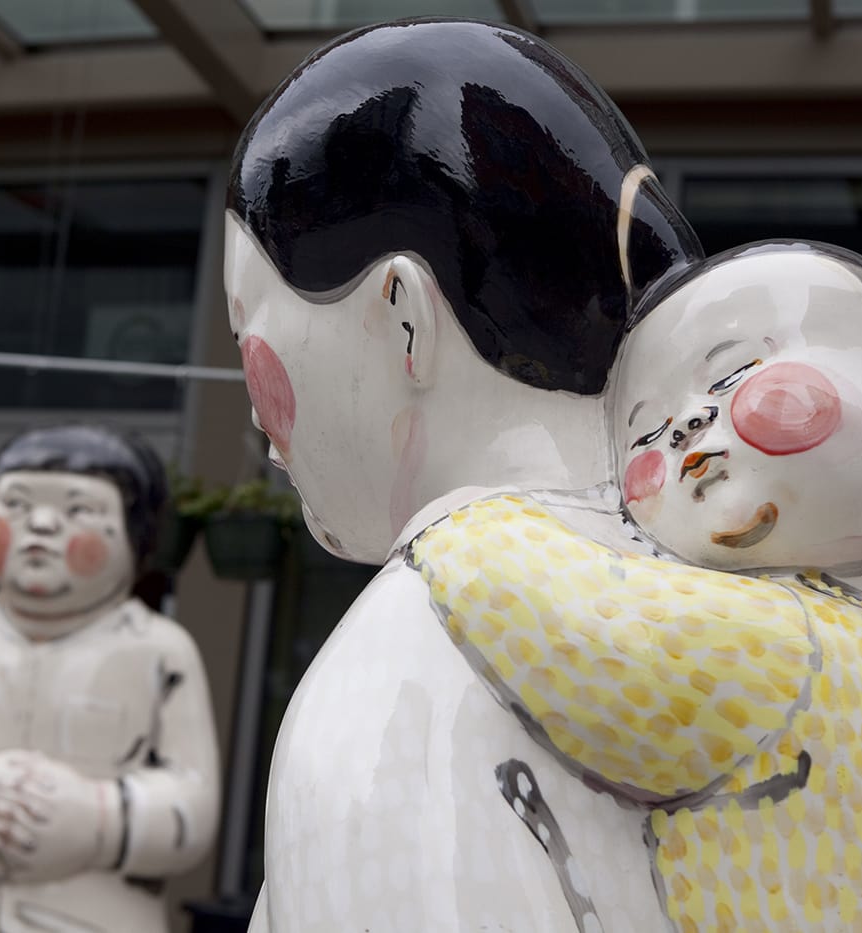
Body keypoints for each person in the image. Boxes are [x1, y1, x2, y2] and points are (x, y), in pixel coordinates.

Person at [407, 243, 862, 929]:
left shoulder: (796, 647)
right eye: (647, 433)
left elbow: (546, 610)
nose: (688, 425)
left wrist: (464, 516)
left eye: (732, 378)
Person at [226, 17, 703, 931]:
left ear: (403, 317)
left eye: (249, 323)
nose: (253, 409)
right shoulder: (750, 593)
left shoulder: (412, 676)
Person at [0, 424, 220, 932]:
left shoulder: (160, 652)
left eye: (78, 510)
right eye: (15, 505)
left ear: (136, 535)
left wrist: (98, 819)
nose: (39, 524)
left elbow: (193, 798)